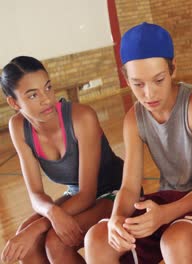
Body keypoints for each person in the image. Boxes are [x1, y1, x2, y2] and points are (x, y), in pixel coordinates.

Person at [84, 22, 192, 264]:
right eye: (138, 84)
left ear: (173, 69)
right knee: (97, 238)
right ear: (126, 79)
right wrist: (116, 218)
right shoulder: (133, 120)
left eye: (158, 80)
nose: (149, 94)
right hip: (170, 200)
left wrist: (164, 215)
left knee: (174, 241)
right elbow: (129, 187)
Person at [0, 56, 123, 264]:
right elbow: (36, 194)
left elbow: (87, 194)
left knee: (56, 241)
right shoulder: (18, 126)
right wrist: (51, 212)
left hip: (116, 192)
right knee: (27, 245)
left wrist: (41, 224)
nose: (46, 99)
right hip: (75, 196)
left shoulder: (82, 117)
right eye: (32, 95)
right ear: (13, 102)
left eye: (48, 88)